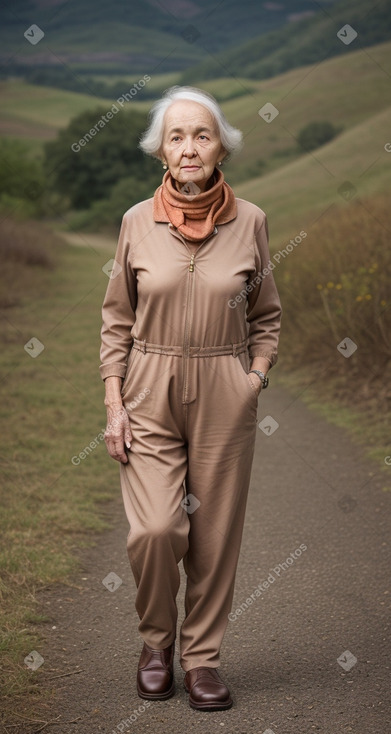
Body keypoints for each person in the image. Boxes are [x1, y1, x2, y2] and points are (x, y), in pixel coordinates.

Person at [99, 86, 282, 711]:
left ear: (220, 145)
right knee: (155, 530)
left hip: (224, 390)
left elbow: (268, 314)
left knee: (213, 536)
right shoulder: (135, 223)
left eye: (201, 135)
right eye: (176, 137)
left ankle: (201, 660)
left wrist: (253, 376)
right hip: (148, 388)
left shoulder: (251, 221)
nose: (189, 148)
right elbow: (117, 320)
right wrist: (114, 402)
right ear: (160, 152)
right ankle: (155, 643)